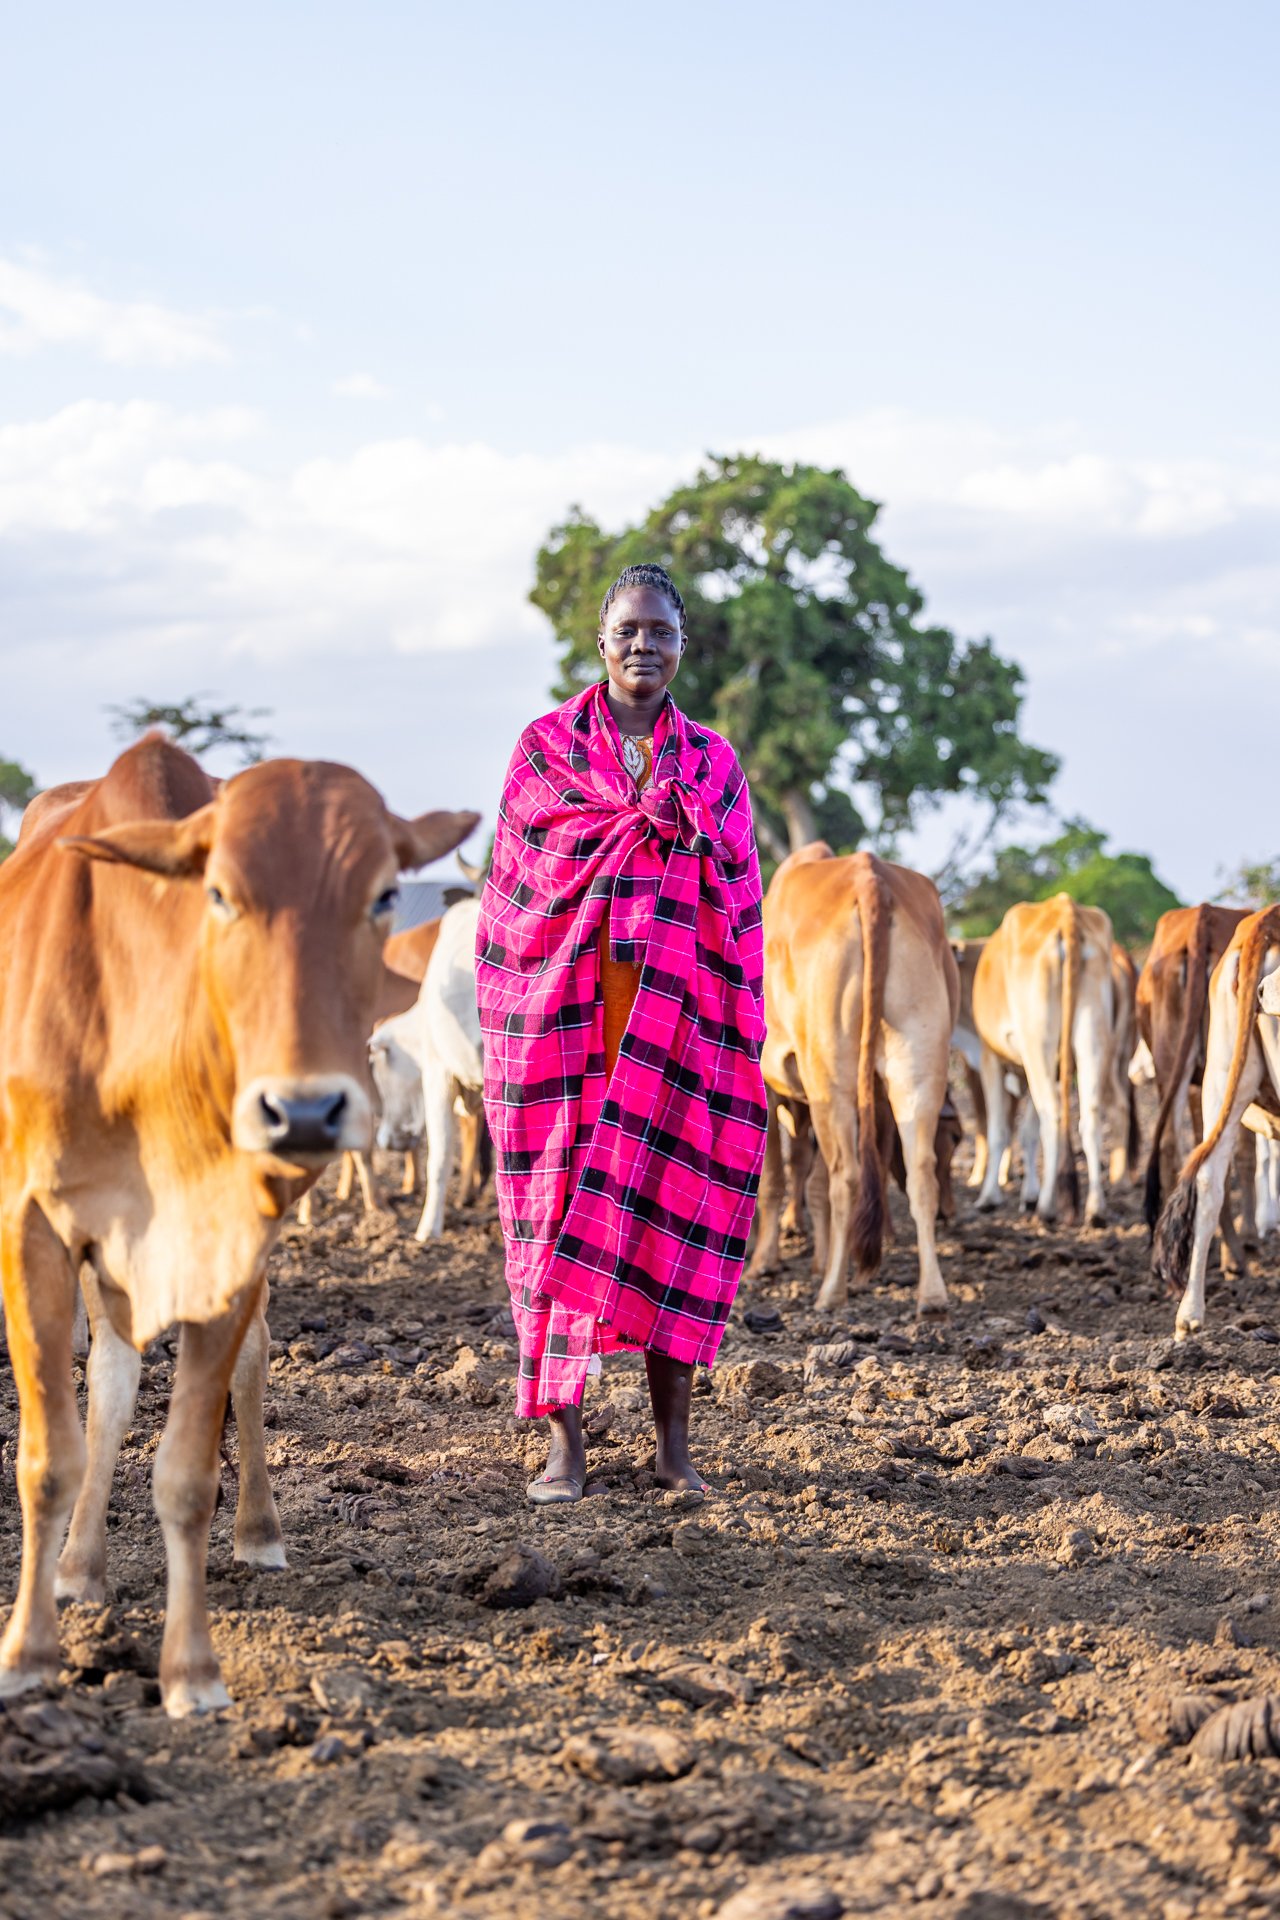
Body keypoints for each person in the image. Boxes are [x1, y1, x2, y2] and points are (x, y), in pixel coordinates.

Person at [476, 563, 768, 1506]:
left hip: (679, 1032)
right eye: (629, 631)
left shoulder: (714, 766)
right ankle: (564, 1448)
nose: (645, 646)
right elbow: (519, 896)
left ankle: (673, 1450)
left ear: (685, 648)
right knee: (555, 1221)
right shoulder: (545, 750)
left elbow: (739, 896)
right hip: (568, 1035)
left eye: (662, 633)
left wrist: (675, 840)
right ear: (601, 643)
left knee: (669, 1220)